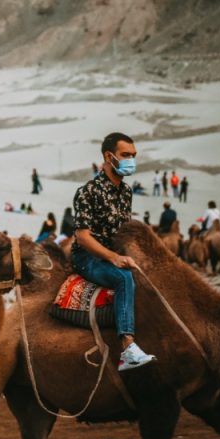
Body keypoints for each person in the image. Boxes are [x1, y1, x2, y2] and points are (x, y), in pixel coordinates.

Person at [71, 132, 155, 371]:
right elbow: (82, 236)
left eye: (134, 155)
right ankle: (127, 347)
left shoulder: (126, 192)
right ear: (109, 156)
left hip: (114, 253)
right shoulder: (88, 191)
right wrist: (114, 258)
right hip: (89, 257)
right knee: (123, 278)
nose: (132, 160)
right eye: (126, 155)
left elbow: (124, 231)